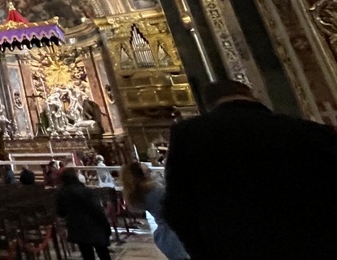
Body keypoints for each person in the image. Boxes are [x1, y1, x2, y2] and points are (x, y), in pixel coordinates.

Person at [163, 79, 337, 260]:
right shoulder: (312, 131)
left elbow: (177, 208)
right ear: (253, 95)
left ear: (207, 103)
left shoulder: (189, 134)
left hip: (233, 247)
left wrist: (202, 252)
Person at [121, 162, 187, 260]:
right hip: (175, 234)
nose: (150, 169)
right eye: (147, 169)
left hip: (166, 236)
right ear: (140, 174)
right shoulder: (154, 190)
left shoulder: (140, 192)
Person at [55, 168, 111, 260]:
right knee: (103, 252)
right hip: (94, 225)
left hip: (77, 227)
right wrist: (105, 224)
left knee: (87, 255)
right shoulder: (86, 191)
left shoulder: (61, 194)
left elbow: (61, 212)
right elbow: (97, 209)